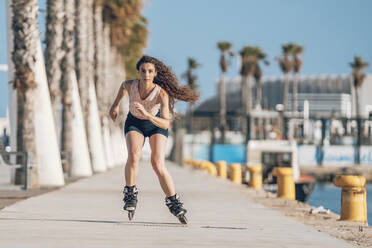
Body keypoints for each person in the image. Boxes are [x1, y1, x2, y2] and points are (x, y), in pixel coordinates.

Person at [109, 55, 199, 222]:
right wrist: (115, 106)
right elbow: (122, 88)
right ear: (139, 72)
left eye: (150, 71)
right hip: (134, 123)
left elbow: (165, 124)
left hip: (156, 124)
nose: (146, 74)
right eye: (143, 71)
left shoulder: (161, 94)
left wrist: (146, 114)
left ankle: (174, 202)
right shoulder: (131, 85)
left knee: (157, 163)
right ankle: (130, 193)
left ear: (155, 73)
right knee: (133, 155)